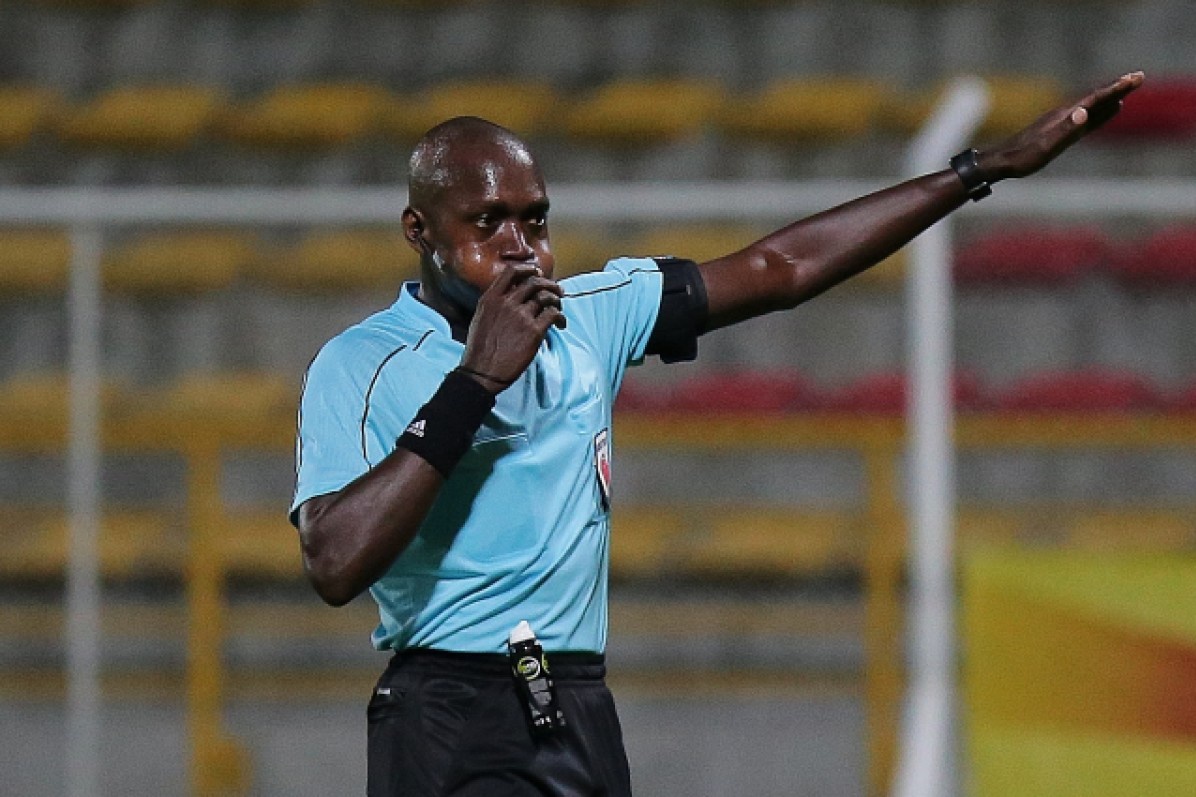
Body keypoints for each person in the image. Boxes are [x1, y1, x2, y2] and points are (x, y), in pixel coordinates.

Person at [290, 71, 1144, 796]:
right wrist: (476, 381)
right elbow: (334, 561)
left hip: (574, 702)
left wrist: (980, 169)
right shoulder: (362, 363)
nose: (521, 249)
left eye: (536, 221)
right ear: (419, 230)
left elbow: (782, 268)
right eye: (488, 223)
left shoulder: (589, 316)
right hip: (448, 709)